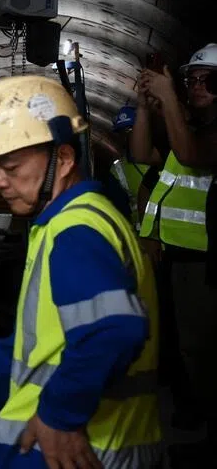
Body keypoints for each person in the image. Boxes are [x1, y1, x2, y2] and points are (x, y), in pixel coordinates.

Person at [0, 76, 162, 469]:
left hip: (69, 453)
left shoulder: (76, 231)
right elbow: (30, 352)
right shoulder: (64, 224)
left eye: (12, 166)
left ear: (64, 159)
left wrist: (59, 416)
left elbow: (115, 328)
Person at [131, 44, 217, 445]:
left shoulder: (206, 136)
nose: (198, 87)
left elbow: (191, 154)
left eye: (209, 81)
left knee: (199, 344)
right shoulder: (193, 127)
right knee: (181, 340)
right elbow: (142, 154)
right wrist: (148, 108)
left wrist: (169, 99)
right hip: (177, 254)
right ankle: (190, 406)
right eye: (192, 80)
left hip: (203, 257)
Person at [106, 105, 154, 226]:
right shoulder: (117, 169)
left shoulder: (160, 159)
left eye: (130, 130)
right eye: (121, 133)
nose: (126, 136)